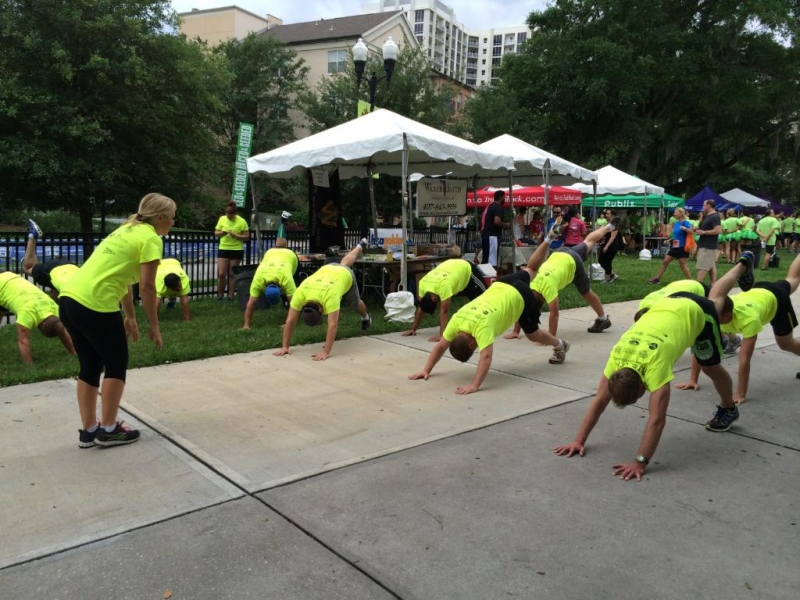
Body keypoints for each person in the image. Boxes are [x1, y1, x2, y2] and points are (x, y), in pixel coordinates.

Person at [552, 252, 756, 481]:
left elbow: (657, 419)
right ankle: (742, 264)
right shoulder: (616, 358)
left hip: (696, 312)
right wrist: (578, 441)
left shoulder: (655, 369)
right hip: (669, 302)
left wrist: (640, 462)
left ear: (643, 386)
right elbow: (599, 401)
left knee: (711, 363)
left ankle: (729, 408)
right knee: (716, 296)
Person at [59, 193, 175, 448]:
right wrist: (154, 324)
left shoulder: (126, 229)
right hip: (95, 304)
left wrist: (130, 317)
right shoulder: (150, 238)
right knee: (116, 363)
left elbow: (122, 279)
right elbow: (147, 287)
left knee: (90, 364)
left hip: (69, 300)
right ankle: (109, 430)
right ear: (160, 217)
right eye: (172, 217)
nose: (173, 222)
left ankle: (89, 431)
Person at [407, 269, 571, 395]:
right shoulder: (457, 320)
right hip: (502, 284)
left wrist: (474, 385)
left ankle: (560, 344)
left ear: (471, 344)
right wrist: (426, 370)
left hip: (522, 294)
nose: (477, 347)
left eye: (474, 348)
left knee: (533, 334)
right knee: (531, 268)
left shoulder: (481, 327)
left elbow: (486, 356)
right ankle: (547, 240)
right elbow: (441, 345)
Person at [676, 251, 800, 405]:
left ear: (727, 317)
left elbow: (744, 359)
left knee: (786, 344)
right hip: (757, 291)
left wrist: (740, 393)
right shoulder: (716, 313)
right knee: (792, 279)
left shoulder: (748, 320)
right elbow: (700, 347)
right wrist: (693, 380)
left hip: (777, 300)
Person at [504, 220, 615, 350]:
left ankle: (603, 319)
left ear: (542, 300)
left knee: (586, 293)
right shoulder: (528, 286)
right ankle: (609, 226)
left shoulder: (547, 289)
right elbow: (523, 306)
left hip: (573, 263)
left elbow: (554, 314)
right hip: (560, 253)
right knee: (588, 242)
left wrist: (549, 339)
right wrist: (515, 332)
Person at [274, 241, 371, 361]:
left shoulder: (330, 297)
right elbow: (290, 321)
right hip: (327, 269)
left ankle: (366, 317)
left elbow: (332, 325)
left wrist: (326, 352)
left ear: (320, 309)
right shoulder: (300, 294)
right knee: (344, 263)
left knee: (354, 304)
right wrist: (285, 347)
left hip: (344, 275)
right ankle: (359, 246)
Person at [402, 258, 487, 341]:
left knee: (486, 299)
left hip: (467, 269)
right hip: (454, 273)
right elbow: (421, 307)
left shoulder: (444, 287)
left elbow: (444, 312)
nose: (439, 306)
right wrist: (413, 329)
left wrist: (442, 336)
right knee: (475, 303)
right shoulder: (422, 284)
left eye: (437, 306)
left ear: (434, 299)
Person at [0, 271, 75, 364]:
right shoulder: (27, 313)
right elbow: (23, 341)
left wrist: (74, 353)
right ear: (43, 325)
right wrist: (29, 366)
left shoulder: (55, 308)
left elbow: (62, 330)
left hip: (12, 278)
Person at [243, 237, 299, 330]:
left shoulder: (286, 278)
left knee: (293, 292)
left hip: (290, 257)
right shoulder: (258, 279)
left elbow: (295, 303)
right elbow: (293, 305)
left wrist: (288, 324)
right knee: (291, 296)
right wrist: (246, 326)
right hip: (275, 256)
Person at [21, 219, 79, 298]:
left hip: (72, 267)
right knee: (27, 268)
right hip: (53, 270)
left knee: (57, 288)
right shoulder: (72, 296)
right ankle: (32, 236)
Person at [647, 208, 693, 284]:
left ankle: (691, 282)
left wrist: (685, 228)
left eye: (676, 212)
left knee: (683, 265)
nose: (674, 214)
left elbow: (692, 232)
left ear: (681, 213)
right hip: (675, 246)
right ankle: (657, 279)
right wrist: (669, 240)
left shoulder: (685, 223)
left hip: (682, 247)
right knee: (665, 262)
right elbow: (677, 235)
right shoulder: (676, 223)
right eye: (674, 212)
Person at [215, 201, 250, 301]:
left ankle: (231, 296)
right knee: (222, 273)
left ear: (235, 213)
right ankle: (220, 295)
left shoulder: (242, 221)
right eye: (227, 214)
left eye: (231, 214)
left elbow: (247, 237)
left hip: (236, 249)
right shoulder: (222, 219)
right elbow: (216, 232)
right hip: (223, 248)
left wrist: (236, 235)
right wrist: (222, 233)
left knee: (232, 274)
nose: (229, 216)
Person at [694, 199, 722, 285]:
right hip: (705, 244)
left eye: (704, 205)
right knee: (710, 265)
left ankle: (698, 285)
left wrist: (704, 232)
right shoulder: (707, 216)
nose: (703, 207)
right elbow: (705, 229)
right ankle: (714, 284)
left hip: (708, 246)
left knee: (702, 266)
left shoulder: (715, 217)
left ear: (709, 206)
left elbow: (718, 230)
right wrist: (697, 230)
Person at [479, 190, 509, 268]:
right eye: (504, 197)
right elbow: (497, 221)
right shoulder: (497, 207)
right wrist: (505, 224)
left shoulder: (490, 206)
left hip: (487, 234)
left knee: (486, 256)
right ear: (500, 197)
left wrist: (502, 226)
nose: (505, 199)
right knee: (491, 259)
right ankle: (490, 274)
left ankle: (484, 273)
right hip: (492, 235)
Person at [598, 209, 622, 283]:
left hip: (612, 245)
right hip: (606, 243)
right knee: (601, 260)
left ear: (612, 215)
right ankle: (612, 274)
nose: (606, 215)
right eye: (606, 214)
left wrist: (606, 246)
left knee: (607, 261)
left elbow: (612, 237)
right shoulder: (608, 223)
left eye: (608, 214)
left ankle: (607, 279)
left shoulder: (614, 224)